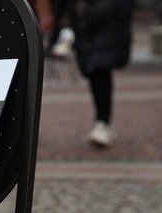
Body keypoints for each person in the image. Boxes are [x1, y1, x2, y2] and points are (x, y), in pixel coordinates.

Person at [62, 0, 134, 147]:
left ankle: (102, 121)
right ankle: (103, 122)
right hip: (87, 28)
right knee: (94, 73)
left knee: (100, 70)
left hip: (106, 24)